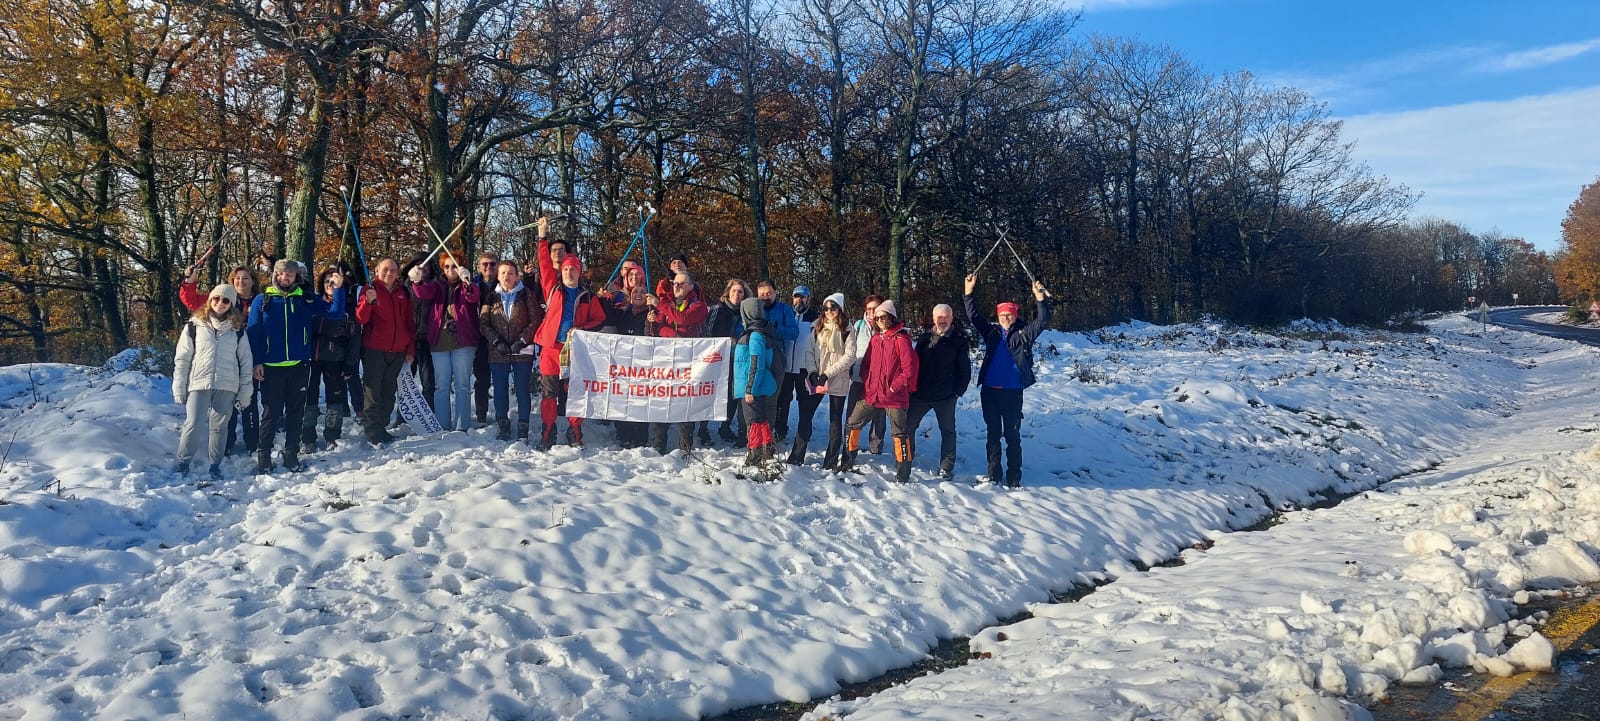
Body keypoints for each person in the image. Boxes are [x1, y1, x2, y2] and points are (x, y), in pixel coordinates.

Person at [246, 260, 346, 473]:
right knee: (270, 413)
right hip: (270, 367)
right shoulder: (262, 300)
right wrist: (256, 362)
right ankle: (264, 455)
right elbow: (254, 333)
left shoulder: (306, 299)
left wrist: (338, 288)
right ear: (275, 275)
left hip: (299, 366)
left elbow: (335, 312)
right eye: (281, 274)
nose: (285, 278)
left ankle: (291, 453)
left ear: (296, 277)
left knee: (295, 412)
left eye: (290, 275)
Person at [963, 275, 1051, 488]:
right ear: (998, 316)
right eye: (1002, 315)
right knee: (993, 434)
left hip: (1012, 393)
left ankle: (1014, 477)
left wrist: (1040, 299)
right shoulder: (992, 333)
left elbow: (1042, 321)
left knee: (1012, 435)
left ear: (1015, 316)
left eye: (1009, 315)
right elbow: (973, 316)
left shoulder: (1023, 334)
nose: (1005, 318)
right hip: (990, 391)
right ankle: (994, 474)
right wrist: (968, 293)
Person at [534, 218, 607, 448]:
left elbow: (599, 320)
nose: (568, 273)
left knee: (575, 393)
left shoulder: (588, 296)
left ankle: (575, 431)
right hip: (550, 350)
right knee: (548, 394)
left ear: (579, 272)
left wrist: (581, 329)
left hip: (574, 353)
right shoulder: (553, 288)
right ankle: (548, 432)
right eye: (565, 269)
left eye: (573, 270)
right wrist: (542, 237)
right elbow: (545, 264)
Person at [173, 284, 253, 481]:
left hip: (227, 384)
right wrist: (179, 386)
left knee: (219, 427)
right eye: (216, 298)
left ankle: (214, 465)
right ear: (210, 300)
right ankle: (183, 462)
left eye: (226, 300)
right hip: (199, 382)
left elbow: (246, 361)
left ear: (232, 304)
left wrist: (245, 392)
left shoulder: (238, 330)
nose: (220, 303)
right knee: (193, 423)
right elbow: (182, 358)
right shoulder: (194, 326)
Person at [839, 299, 919, 481]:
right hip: (873, 393)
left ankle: (903, 472)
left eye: (883, 317)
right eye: (877, 318)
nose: (880, 321)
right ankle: (848, 460)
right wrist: (868, 382)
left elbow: (909, 370)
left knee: (899, 433)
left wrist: (892, 387)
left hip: (894, 397)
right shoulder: (875, 339)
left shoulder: (901, 339)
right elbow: (866, 363)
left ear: (891, 317)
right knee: (853, 422)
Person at [411, 253, 482, 432]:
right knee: (441, 386)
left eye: (455, 266)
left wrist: (467, 282)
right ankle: (442, 425)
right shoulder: (436, 285)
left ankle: (462, 425)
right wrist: (417, 281)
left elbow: (473, 297)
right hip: (439, 343)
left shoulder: (468, 284)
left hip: (464, 342)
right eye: (447, 266)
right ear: (442, 269)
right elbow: (422, 293)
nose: (451, 270)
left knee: (462, 384)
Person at [300, 265, 363, 453]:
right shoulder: (314, 302)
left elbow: (354, 338)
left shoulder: (347, 306)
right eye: (327, 282)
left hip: (336, 358)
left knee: (334, 398)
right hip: (312, 357)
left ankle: (332, 435)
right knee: (309, 398)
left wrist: (351, 364)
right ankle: (307, 437)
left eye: (334, 282)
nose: (330, 285)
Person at [480, 260, 544, 440]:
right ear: (498, 276)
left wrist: (522, 340)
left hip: (521, 350)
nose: (506, 277)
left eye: (510, 273)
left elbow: (535, 320)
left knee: (522, 388)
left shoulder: (526, 294)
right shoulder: (491, 296)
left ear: (517, 276)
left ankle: (523, 426)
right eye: (503, 273)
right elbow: (483, 322)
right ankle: (503, 424)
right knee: (500, 389)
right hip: (498, 350)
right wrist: (496, 341)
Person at [907, 303, 972, 479]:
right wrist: (911, 387)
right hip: (920, 394)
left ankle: (946, 466)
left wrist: (958, 391)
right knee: (908, 427)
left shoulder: (959, 340)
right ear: (933, 318)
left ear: (951, 319)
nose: (942, 320)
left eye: (946, 317)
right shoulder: (924, 338)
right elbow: (913, 364)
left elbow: (965, 369)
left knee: (948, 430)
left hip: (945, 395)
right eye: (939, 317)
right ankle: (906, 459)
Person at [355, 257, 415, 445]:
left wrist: (409, 348)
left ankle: (382, 427)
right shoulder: (370, 290)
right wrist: (367, 302)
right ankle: (373, 432)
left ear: (398, 273)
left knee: (389, 392)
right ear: (377, 271)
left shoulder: (403, 292)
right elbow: (361, 319)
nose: (389, 273)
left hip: (397, 350)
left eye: (393, 270)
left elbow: (409, 323)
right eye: (385, 269)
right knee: (373, 392)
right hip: (375, 349)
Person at [648, 271, 709, 454]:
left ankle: (685, 446)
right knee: (663, 398)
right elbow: (658, 328)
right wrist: (654, 322)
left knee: (686, 402)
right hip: (666, 360)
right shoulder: (668, 305)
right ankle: (659, 444)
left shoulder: (699, 306)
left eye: (681, 284)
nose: (677, 287)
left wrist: (660, 305)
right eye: (674, 284)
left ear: (691, 286)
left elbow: (683, 319)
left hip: (690, 361)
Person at [794, 293, 855, 468]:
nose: (829, 311)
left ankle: (830, 461)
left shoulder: (848, 329)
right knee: (805, 415)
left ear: (840, 309)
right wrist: (813, 372)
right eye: (826, 308)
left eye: (833, 308)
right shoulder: (817, 326)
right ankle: (797, 455)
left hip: (837, 378)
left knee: (835, 420)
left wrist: (827, 373)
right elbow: (809, 352)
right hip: (818, 379)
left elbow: (849, 356)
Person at [600, 259, 652, 448]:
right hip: (623, 365)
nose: (638, 294)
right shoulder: (623, 312)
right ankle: (623, 433)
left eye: (641, 292)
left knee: (641, 399)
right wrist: (603, 299)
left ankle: (641, 434)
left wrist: (651, 320)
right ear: (630, 295)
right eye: (634, 292)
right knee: (622, 399)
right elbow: (607, 317)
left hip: (643, 365)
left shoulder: (651, 314)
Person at [734, 297, 780, 466]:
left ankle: (755, 454)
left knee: (753, 421)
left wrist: (750, 389)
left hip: (752, 386)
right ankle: (766, 449)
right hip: (752, 385)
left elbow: (756, 362)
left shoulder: (755, 336)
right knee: (759, 419)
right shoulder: (757, 332)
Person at [704, 279, 751, 445]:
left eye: (740, 292)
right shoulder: (717, 310)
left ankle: (725, 426)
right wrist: (724, 341)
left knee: (732, 393)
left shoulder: (746, 312)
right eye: (734, 291)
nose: (737, 295)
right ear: (727, 293)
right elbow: (707, 333)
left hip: (737, 359)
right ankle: (703, 429)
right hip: (716, 358)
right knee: (710, 393)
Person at [846, 294, 886, 454]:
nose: (871, 312)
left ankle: (875, 448)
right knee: (852, 414)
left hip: (879, 381)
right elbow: (850, 349)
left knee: (879, 415)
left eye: (875, 308)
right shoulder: (858, 325)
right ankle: (848, 444)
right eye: (869, 308)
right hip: (858, 377)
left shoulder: (885, 326)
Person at [472, 251, 500, 425]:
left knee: (500, 378)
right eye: (485, 264)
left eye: (492, 264)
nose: (488, 267)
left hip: (500, 337)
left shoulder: (505, 282)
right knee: (481, 378)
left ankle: (501, 413)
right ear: (479, 267)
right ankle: (481, 413)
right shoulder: (471, 284)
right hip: (479, 338)